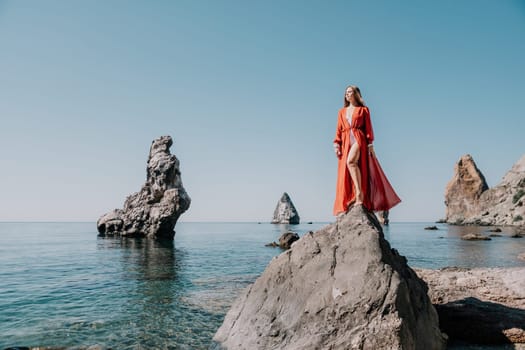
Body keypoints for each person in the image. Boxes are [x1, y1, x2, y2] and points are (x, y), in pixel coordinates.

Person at [333, 85, 401, 216]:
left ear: (356, 94)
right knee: (348, 170)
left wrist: (370, 145)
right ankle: (354, 195)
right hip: (346, 141)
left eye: (350, 92)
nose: (347, 94)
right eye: (346, 92)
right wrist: (337, 143)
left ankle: (360, 193)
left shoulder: (364, 110)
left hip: (359, 139)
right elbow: (338, 130)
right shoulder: (341, 112)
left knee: (351, 162)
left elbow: (368, 129)